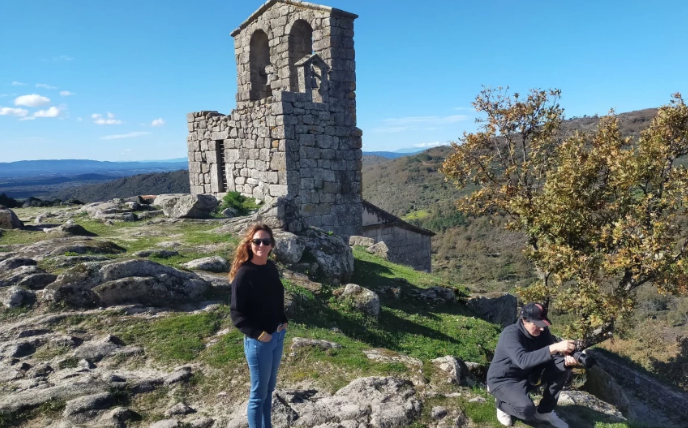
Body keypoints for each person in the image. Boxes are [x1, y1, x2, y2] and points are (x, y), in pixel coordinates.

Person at [230, 223, 288, 428]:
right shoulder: (244, 274)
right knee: (258, 395)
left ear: (272, 245)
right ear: (250, 244)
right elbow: (237, 314)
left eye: (266, 241)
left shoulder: (270, 267)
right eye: (257, 241)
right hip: (259, 343)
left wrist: (283, 320)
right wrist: (258, 333)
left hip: (277, 337)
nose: (261, 245)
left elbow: (275, 296)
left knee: (269, 390)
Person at [486, 303, 577, 428]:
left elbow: (550, 356)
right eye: (538, 325)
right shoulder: (511, 334)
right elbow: (523, 361)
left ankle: (544, 412)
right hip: (504, 380)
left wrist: (566, 360)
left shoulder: (542, 332)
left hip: (529, 375)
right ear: (524, 320)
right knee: (527, 411)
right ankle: (502, 405)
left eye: (544, 324)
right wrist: (555, 347)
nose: (542, 329)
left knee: (562, 367)